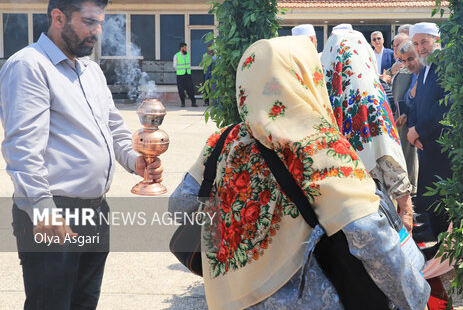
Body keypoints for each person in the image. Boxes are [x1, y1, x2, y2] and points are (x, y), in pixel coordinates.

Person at [170, 35, 430, 309]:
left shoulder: (224, 142)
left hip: (230, 300)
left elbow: (180, 206)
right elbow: (369, 237)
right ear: (307, 80)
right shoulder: (322, 148)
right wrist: (415, 296)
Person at [0, 0, 163, 310]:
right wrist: (44, 212)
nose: (97, 31)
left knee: (84, 302)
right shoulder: (30, 67)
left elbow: (114, 128)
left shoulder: (90, 71)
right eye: (88, 22)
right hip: (53, 212)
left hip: (94, 210)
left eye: (100, 23)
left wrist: (138, 161)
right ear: (58, 18)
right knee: (51, 304)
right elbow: (22, 150)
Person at [321, 28, 415, 231]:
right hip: (379, 209)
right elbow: (389, 155)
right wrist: (406, 210)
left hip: (344, 212)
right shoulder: (373, 97)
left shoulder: (326, 101)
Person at [405, 22, 452, 240]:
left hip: (441, 149)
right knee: (430, 206)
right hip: (425, 146)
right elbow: (416, 104)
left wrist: (418, 130)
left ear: (437, 40)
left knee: (442, 207)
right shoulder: (425, 68)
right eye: (416, 43)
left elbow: (445, 107)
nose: (420, 47)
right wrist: (413, 131)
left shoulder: (444, 65)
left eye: (424, 41)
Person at [394, 39, 423, 193]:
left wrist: (418, 129)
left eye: (411, 59)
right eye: (403, 60)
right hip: (411, 134)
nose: (407, 64)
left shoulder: (430, 73)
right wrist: (405, 113)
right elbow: (408, 99)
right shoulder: (407, 75)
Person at [173, 42, 197, 107]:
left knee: (190, 89)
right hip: (180, 75)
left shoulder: (187, 55)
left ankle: (193, 102)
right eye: (185, 47)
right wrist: (180, 70)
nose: (186, 49)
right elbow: (174, 66)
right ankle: (183, 103)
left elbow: (188, 64)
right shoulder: (176, 55)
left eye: (186, 47)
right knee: (181, 90)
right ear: (181, 48)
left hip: (187, 74)